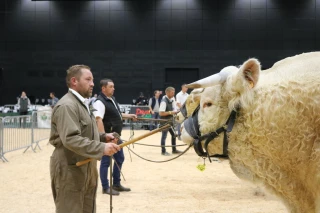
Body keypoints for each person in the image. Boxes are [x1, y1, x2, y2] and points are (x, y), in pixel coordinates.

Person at [49, 65, 120, 213]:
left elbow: (85, 133)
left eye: (92, 80)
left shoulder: (83, 103)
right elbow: (71, 139)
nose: (93, 83)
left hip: (86, 168)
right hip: (70, 169)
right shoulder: (67, 105)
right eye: (88, 79)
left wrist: (103, 138)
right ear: (74, 81)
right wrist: (101, 148)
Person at [93, 78, 137, 195]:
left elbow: (117, 115)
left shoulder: (111, 99)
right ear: (103, 88)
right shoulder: (100, 102)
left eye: (113, 86)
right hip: (108, 139)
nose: (114, 88)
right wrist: (104, 137)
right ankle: (105, 187)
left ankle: (116, 184)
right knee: (105, 163)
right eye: (111, 86)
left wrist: (129, 115)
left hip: (116, 137)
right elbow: (98, 120)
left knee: (119, 159)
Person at [159, 87, 182, 156]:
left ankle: (174, 150)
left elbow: (174, 108)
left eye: (174, 92)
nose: (173, 94)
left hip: (170, 120)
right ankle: (163, 151)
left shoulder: (172, 99)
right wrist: (170, 112)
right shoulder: (164, 101)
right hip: (164, 121)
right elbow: (161, 113)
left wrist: (175, 112)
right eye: (172, 92)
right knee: (164, 136)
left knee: (174, 135)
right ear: (168, 93)